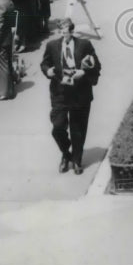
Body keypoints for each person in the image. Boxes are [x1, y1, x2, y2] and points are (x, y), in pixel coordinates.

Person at [40, 18, 101, 175]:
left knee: (78, 129)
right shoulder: (52, 45)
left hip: (80, 92)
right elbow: (44, 63)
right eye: (60, 32)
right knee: (57, 127)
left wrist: (85, 71)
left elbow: (96, 64)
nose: (63, 35)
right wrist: (48, 71)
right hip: (59, 92)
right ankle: (66, 154)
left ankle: (77, 160)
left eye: (66, 32)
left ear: (72, 31)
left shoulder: (84, 45)